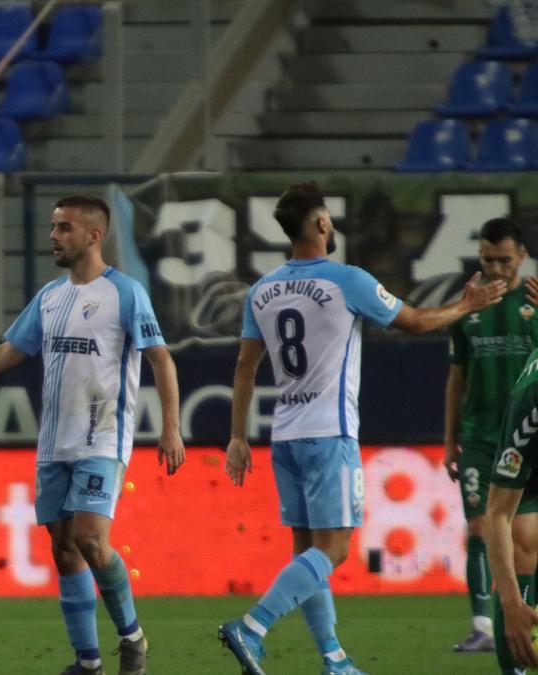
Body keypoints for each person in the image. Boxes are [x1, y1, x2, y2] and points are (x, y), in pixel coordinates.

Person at [218, 182, 507, 675]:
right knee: (333, 550)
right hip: (329, 433)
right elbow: (413, 321)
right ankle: (253, 625)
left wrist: (238, 437)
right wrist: (466, 306)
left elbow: (245, 365)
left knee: (307, 553)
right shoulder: (346, 280)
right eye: (329, 216)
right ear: (322, 224)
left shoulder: (262, 290)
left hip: (284, 436)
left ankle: (334, 659)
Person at [0, 195, 184, 675]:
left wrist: (171, 427)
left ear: (93, 235)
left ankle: (132, 637)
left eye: (64, 228)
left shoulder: (125, 293)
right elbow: (9, 352)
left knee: (90, 539)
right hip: (53, 443)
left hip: (102, 439)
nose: (53, 236)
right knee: (63, 548)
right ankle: (87, 661)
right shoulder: (50, 296)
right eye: (53, 227)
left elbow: (160, 358)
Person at [446, 218, 538, 653]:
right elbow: (456, 378)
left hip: (527, 440)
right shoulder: (467, 308)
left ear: (521, 257)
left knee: (525, 542)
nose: (495, 269)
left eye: (504, 260)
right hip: (481, 440)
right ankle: (483, 625)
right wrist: (450, 440)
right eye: (487, 260)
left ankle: (521, 616)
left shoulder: (535, 302)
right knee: (481, 527)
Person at [485, 343, 538, 674]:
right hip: (533, 463)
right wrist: (512, 604)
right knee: (523, 541)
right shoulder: (530, 404)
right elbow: (498, 514)